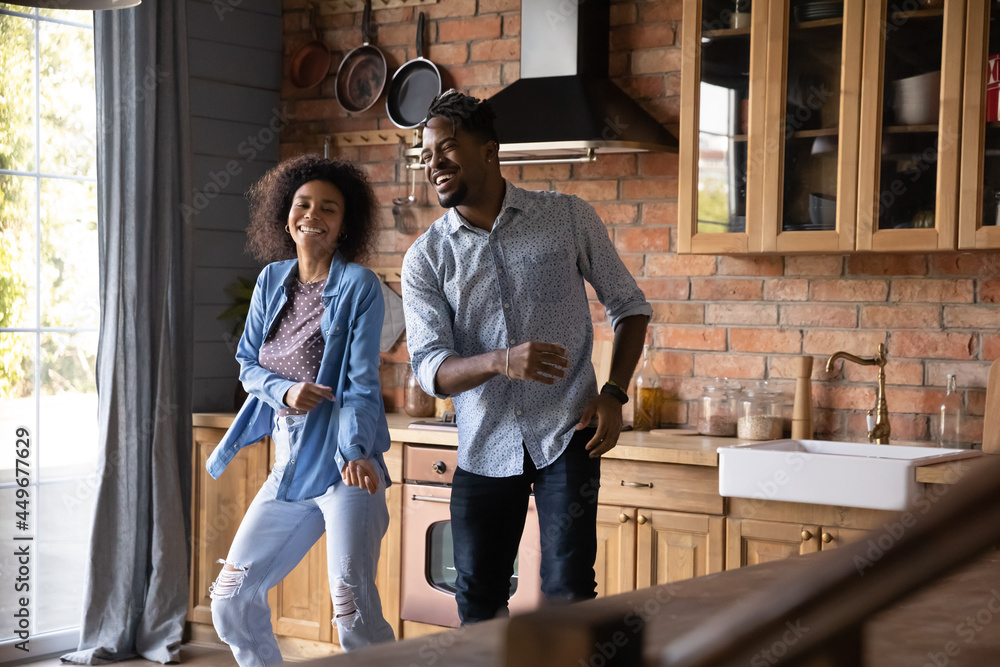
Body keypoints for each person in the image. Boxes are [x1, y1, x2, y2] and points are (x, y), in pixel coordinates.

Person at [401, 90, 652, 624]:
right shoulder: (426, 256)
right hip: (484, 442)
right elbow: (429, 370)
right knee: (478, 599)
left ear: (490, 150)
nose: (434, 164)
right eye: (426, 155)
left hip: (568, 432)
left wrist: (613, 395)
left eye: (446, 148)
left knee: (568, 592)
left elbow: (630, 307)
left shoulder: (565, 217)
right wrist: (499, 360)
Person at [206, 155, 395, 665]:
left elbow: (359, 384)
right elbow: (247, 363)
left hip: (345, 468)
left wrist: (356, 450)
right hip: (289, 466)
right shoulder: (272, 280)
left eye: (328, 209)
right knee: (229, 600)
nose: (312, 215)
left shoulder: (358, 286)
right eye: (303, 204)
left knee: (352, 610)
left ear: (344, 224)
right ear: (284, 214)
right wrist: (284, 392)